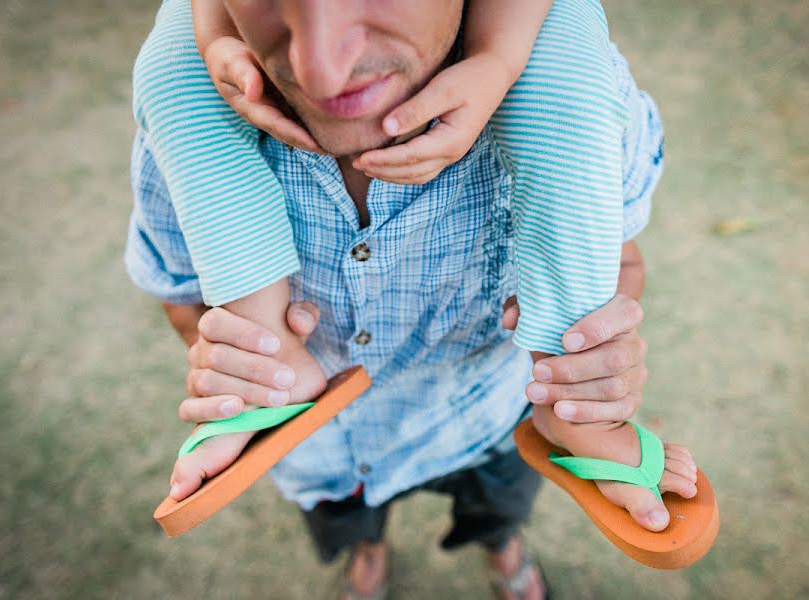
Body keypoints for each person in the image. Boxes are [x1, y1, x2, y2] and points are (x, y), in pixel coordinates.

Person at [126, 0, 686, 597]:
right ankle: (362, 536)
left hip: (486, 418)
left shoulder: (587, 105)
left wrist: (585, 358)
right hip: (327, 450)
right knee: (353, 520)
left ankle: (506, 540)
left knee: (497, 509)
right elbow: (180, 291)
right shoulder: (186, 116)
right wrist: (236, 353)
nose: (319, 73)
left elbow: (624, 260)